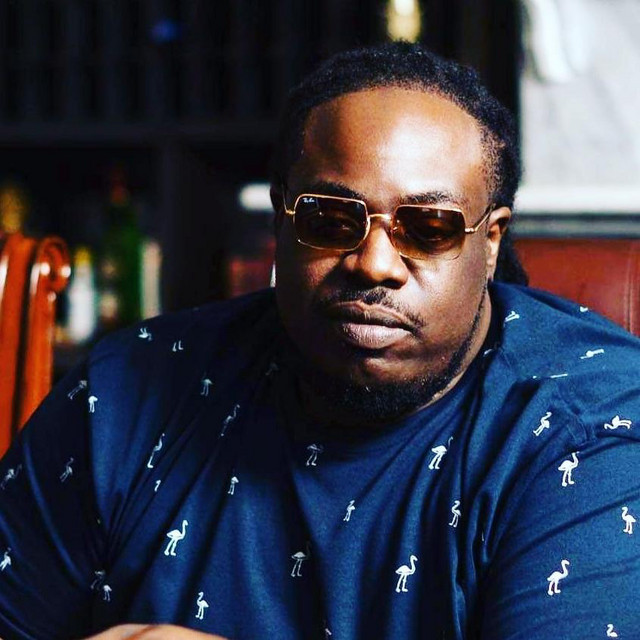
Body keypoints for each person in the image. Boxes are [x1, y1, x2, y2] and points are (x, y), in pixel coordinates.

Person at [0, 42, 638, 640]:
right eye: (331, 220)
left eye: (428, 228)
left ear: (489, 242)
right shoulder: (123, 393)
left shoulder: (591, 430)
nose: (375, 264)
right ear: (281, 222)